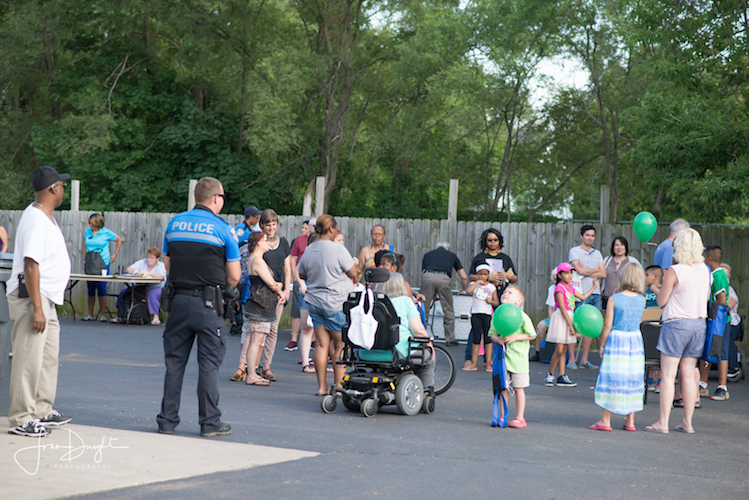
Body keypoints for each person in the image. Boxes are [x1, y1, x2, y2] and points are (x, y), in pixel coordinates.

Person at [156, 177, 240, 437]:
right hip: (209, 304)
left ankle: (167, 421)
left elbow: (167, 264)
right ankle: (210, 423)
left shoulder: (175, 223)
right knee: (209, 365)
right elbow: (235, 276)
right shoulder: (224, 229)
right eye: (223, 197)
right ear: (216, 198)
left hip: (178, 302)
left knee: (175, 364)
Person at [6, 166, 72, 437]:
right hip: (34, 296)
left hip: (47, 298)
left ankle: (42, 409)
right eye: (62, 184)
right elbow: (30, 264)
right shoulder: (35, 218)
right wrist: (36, 308)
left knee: (47, 358)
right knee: (28, 358)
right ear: (52, 189)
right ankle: (21, 417)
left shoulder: (47, 218)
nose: (64, 188)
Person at [645, 228, 710, 434]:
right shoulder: (705, 270)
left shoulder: (675, 271)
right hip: (698, 324)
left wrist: (658, 289)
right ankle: (687, 422)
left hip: (676, 324)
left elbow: (662, 300)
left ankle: (663, 422)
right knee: (689, 374)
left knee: (668, 374)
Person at [298, 215, 359, 396]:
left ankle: (322, 387)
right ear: (332, 229)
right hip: (335, 303)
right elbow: (352, 272)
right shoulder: (338, 249)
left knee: (322, 345)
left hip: (315, 302)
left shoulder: (309, 249)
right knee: (341, 346)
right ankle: (339, 388)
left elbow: (302, 274)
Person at [589, 263, 646, 432]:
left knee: (613, 376)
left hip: (617, 339)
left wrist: (601, 345)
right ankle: (630, 420)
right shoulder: (642, 299)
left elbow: (608, 325)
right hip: (635, 339)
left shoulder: (615, 299)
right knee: (632, 377)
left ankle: (606, 419)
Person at [358, 272, 435, 390]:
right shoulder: (405, 302)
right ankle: (425, 393)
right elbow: (418, 331)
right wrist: (429, 344)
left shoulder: (368, 301)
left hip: (365, 353)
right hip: (396, 354)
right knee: (427, 359)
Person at [252, 209, 291, 382]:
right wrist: (277, 289)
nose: (271, 227)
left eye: (274, 224)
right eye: (268, 224)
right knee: (257, 331)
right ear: (262, 225)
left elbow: (288, 268)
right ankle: (248, 366)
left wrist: (286, 290)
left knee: (273, 329)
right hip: (264, 292)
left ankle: (266, 365)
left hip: (280, 291)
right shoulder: (259, 242)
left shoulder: (283, 243)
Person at [545, 262, 598, 388]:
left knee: (564, 350)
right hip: (562, 318)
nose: (569, 276)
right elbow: (562, 309)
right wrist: (570, 326)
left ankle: (561, 376)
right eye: (566, 273)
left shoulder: (570, 288)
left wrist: (594, 286)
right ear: (559, 275)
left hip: (569, 316)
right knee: (559, 349)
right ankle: (550, 374)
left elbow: (583, 296)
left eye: (570, 273)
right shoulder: (559, 288)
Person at [490, 285, 535, 428]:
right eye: (504, 292)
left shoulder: (522, 316)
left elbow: (531, 335)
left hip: (519, 361)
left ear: (518, 301)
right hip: (502, 360)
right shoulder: (498, 314)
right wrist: (497, 339)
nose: (505, 294)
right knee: (503, 388)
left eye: (510, 293)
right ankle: (503, 416)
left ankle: (520, 418)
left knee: (518, 388)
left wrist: (515, 337)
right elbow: (492, 333)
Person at [241, 231, 283, 386]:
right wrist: (279, 289)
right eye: (265, 240)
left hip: (261, 304)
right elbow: (271, 283)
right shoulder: (257, 260)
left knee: (255, 340)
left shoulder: (256, 259)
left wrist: (276, 286)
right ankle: (251, 375)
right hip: (260, 305)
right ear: (258, 242)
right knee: (256, 341)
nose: (268, 243)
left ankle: (252, 373)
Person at [568, 224, 606, 369]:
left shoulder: (597, 253)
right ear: (581, 236)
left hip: (594, 293)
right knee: (574, 325)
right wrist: (595, 270)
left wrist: (587, 271)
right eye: (587, 235)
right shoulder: (575, 251)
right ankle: (571, 359)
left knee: (590, 325)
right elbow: (579, 270)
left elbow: (603, 274)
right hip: (578, 293)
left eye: (592, 235)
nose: (590, 238)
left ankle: (584, 360)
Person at [698, 245, 731, 401]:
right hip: (715, 319)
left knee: (720, 352)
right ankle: (702, 384)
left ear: (709, 258)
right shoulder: (714, 274)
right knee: (708, 351)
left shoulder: (718, 276)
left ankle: (722, 388)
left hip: (719, 321)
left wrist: (711, 313)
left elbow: (722, 300)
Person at [420, 242, 469, 345]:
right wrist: (464, 288)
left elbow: (424, 271)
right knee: (448, 309)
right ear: (447, 249)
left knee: (424, 308)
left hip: (428, 276)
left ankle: (420, 336)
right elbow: (463, 276)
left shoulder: (428, 254)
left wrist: (432, 292)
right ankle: (450, 339)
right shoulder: (452, 255)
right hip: (443, 278)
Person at [81, 213, 123, 322]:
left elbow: (119, 240)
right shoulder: (87, 232)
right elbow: (85, 242)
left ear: (98, 224)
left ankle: (102, 315)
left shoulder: (106, 232)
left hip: (103, 262)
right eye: (89, 223)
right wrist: (84, 253)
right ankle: (90, 314)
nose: (90, 225)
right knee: (90, 288)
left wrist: (114, 255)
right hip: (90, 262)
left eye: (92, 223)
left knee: (101, 287)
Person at [116, 247, 167, 325]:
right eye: (148, 257)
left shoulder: (161, 265)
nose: (149, 259)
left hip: (156, 286)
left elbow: (161, 276)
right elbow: (129, 269)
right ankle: (120, 315)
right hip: (140, 286)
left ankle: (155, 317)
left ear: (157, 259)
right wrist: (134, 271)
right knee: (125, 290)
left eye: (152, 258)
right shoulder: (142, 262)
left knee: (151, 294)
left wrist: (148, 274)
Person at [464, 264, 498, 371]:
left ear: (488, 275)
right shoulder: (473, 285)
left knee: (488, 339)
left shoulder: (491, 287)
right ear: (477, 274)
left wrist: (491, 301)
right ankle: (474, 363)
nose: (482, 277)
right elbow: (468, 291)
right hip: (476, 314)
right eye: (480, 274)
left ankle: (488, 363)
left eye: (485, 274)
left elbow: (496, 302)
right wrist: (477, 282)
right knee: (476, 338)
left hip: (487, 315)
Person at [286, 220, 311, 352]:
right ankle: (294, 339)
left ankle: (313, 341)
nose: (304, 229)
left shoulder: (319, 241)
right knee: (297, 309)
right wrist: (295, 276)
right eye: (304, 227)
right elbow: (293, 258)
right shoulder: (299, 240)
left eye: (306, 227)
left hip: (313, 281)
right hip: (300, 278)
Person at [468, 229, 517, 294]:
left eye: (495, 240)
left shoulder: (505, 258)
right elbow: (471, 277)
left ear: (499, 241)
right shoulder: (480, 257)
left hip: (502, 294)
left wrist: (507, 276)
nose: (493, 242)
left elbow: (514, 278)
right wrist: (488, 277)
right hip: (483, 294)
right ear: (485, 241)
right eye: (490, 240)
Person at [601, 236, 641, 310]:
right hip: (607, 299)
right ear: (613, 247)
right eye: (616, 245)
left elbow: (640, 278)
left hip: (626, 300)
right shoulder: (606, 260)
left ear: (626, 247)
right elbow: (600, 278)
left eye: (622, 245)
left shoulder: (632, 261)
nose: (619, 247)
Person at [722, 263, 743, 382]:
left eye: (726, 276)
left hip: (731, 321)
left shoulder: (730, 291)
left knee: (727, 335)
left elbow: (728, 306)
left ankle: (733, 366)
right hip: (717, 320)